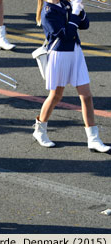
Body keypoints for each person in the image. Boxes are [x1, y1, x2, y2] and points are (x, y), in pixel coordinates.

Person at [33, 0, 110, 153]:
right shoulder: (48, 12)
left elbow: (84, 25)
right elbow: (66, 35)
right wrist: (74, 13)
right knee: (55, 96)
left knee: (86, 96)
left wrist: (80, 9)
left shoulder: (65, 3)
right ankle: (40, 130)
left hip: (75, 53)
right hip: (59, 56)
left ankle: (93, 139)